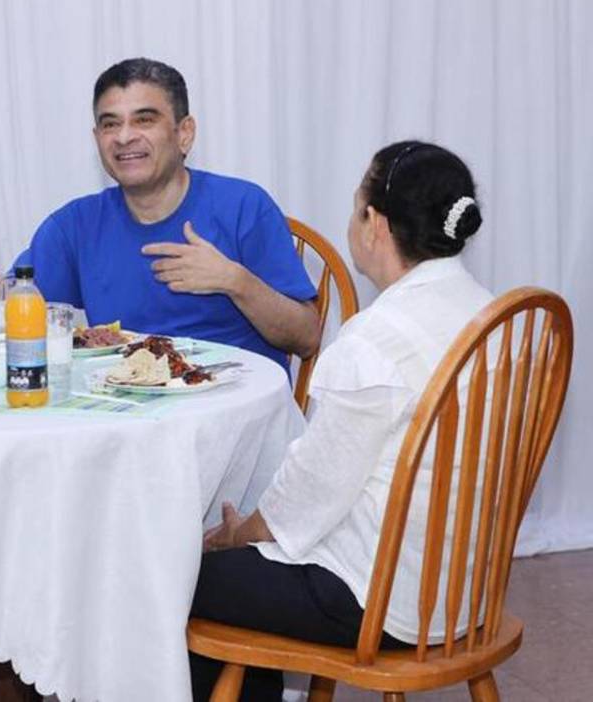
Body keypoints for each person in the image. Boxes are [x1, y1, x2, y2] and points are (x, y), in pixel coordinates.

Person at [190, 141, 489, 700]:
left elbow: (311, 493)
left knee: (180, 575)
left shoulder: (376, 341)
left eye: (356, 206)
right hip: (465, 591)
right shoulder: (491, 314)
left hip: (383, 600)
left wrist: (238, 534)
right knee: (238, 570)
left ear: (374, 223)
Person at [20, 57, 319, 369]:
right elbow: (9, 304)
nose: (124, 137)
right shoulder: (74, 227)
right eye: (110, 124)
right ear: (97, 139)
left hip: (233, 407)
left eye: (144, 120)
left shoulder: (244, 207)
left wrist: (234, 281)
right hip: (128, 406)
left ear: (184, 133)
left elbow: (307, 337)